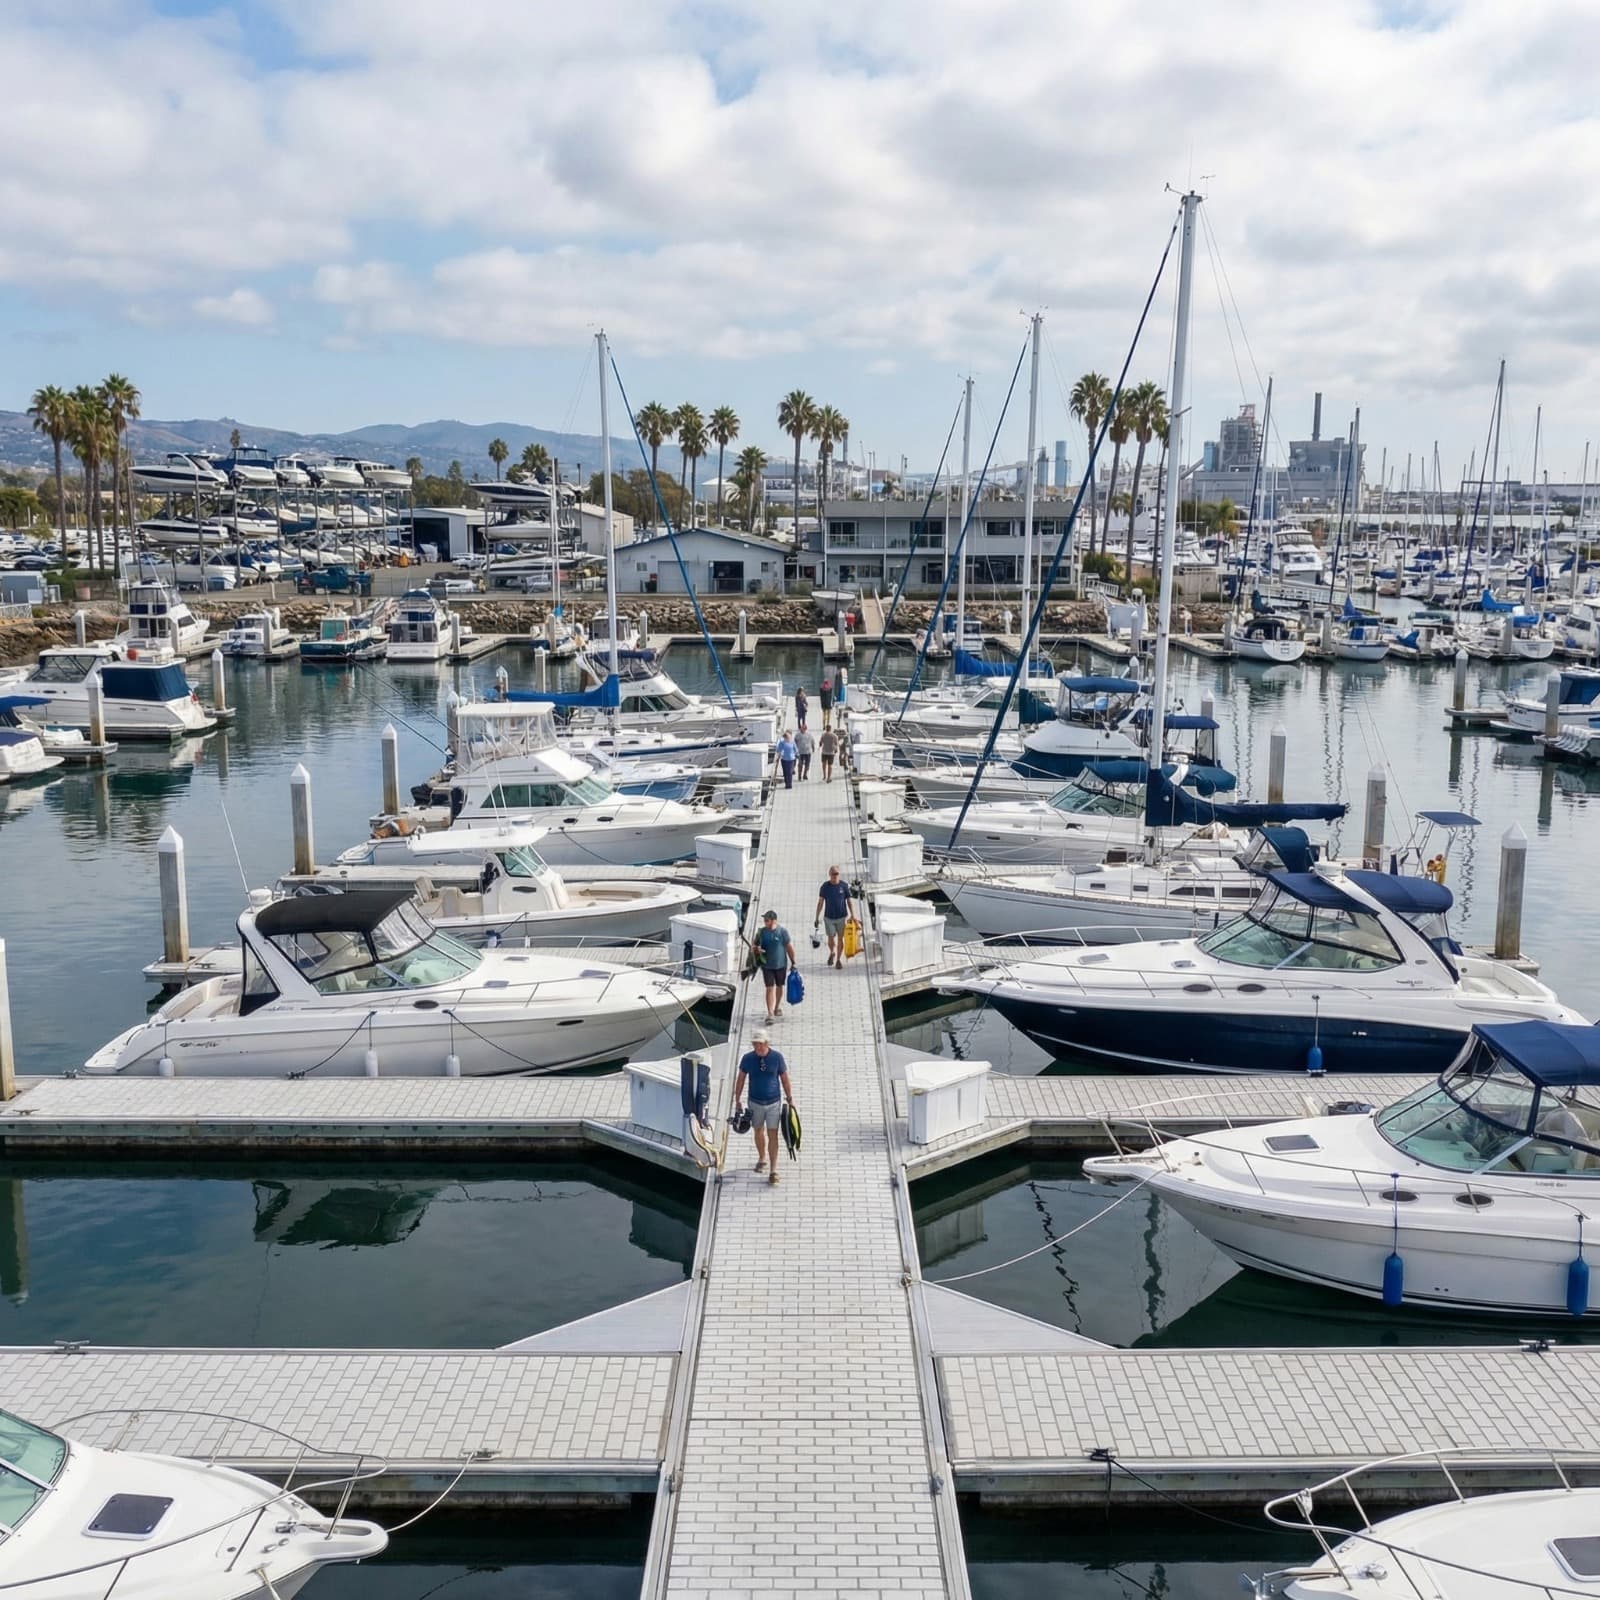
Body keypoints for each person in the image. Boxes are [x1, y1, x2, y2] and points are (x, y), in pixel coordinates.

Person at [733, 1029, 795, 1185]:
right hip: (755, 1102)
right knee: (758, 1131)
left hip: (774, 1103)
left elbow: (785, 1079)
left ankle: (774, 1170)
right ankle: (762, 1158)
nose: (758, 1047)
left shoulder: (777, 1058)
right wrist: (737, 1099)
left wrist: (790, 1099)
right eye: (755, 1044)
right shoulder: (747, 1059)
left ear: (766, 1043)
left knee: (773, 1134)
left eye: (760, 1044)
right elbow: (740, 1079)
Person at [751, 908, 797, 1021]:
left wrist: (793, 962)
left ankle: (777, 1007)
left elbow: (789, 948)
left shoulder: (782, 932)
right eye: (765, 920)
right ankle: (770, 1013)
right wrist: (757, 950)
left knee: (780, 986)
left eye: (767, 920)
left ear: (773, 921)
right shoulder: (761, 932)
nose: (765, 922)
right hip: (767, 966)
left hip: (781, 965)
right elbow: (754, 947)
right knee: (769, 988)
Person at [814, 865, 857, 968]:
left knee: (840, 939)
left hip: (842, 917)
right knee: (831, 938)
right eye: (833, 874)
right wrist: (817, 917)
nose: (835, 876)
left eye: (837, 874)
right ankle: (832, 951)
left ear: (839, 874)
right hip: (829, 917)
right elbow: (820, 902)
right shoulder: (825, 887)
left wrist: (853, 915)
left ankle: (838, 960)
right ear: (829, 874)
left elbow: (849, 901)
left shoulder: (844, 886)